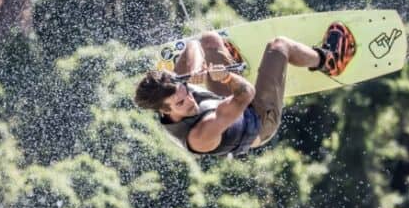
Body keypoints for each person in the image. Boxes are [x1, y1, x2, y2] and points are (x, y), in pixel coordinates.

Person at [133, 24, 355, 157]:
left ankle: (229, 62)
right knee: (279, 46)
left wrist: (196, 70)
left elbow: (195, 44)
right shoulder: (202, 134)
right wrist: (228, 77)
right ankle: (329, 60)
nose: (190, 100)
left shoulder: (175, 88)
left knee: (209, 39)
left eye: (186, 92)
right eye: (181, 104)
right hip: (257, 119)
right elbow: (247, 94)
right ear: (165, 111)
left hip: (226, 101)